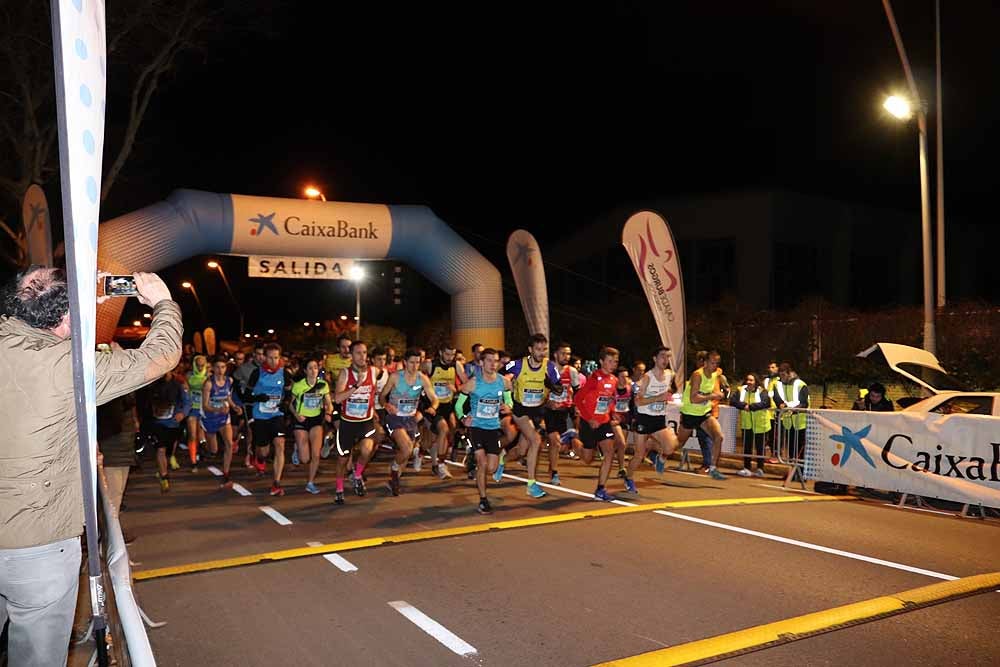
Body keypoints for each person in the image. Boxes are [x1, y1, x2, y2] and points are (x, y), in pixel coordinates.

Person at [0, 267, 181, 666]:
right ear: (66, 317)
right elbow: (160, 355)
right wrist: (163, 303)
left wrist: (80, 305)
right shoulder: (72, 366)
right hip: (37, 547)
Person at [498, 334, 562, 498]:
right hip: (520, 410)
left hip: (537, 411)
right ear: (530, 350)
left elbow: (559, 388)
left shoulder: (550, 367)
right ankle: (531, 484)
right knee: (536, 440)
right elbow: (499, 374)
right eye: (538, 349)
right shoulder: (518, 364)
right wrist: (505, 391)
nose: (542, 353)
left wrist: (552, 385)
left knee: (521, 450)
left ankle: (502, 459)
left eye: (544, 349)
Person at [454, 348, 512, 514]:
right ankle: (483, 500)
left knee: (492, 468)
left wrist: (508, 406)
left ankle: (472, 458)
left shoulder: (503, 382)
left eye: (495, 361)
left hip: (493, 427)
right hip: (476, 427)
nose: (493, 364)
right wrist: (463, 418)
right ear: (480, 362)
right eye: (489, 361)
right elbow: (458, 405)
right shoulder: (473, 383)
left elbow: (509, 401)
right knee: (483, 463)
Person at [379, 349, 439, 496]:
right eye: (411, 362)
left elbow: (434, 398)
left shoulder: (422, 378)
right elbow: (382, 396)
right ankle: (394, 469)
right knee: (406, 448)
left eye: (417, 362)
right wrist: (386, 405)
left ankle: (394, 480)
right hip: (394, 418)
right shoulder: (395, 377)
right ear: (405, 362)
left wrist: (433, 407)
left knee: (407, 453)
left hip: (410, 419)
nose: (414, 365)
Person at [573, 346, 624, 501]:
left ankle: (601, 489)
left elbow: (608, 401)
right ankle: (573, 441)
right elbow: (577, 399)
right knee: (588, 459)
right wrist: (589, 419)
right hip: (589, 422)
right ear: (602, 361)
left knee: (609, 451)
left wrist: (613, 412)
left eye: (615, 362)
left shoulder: (614, 380)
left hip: (603, 422)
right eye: (610, 361)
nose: (613, 365)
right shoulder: (594, 378)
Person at [242, 343, 294, 495]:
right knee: (263, 451)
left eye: (276, 358)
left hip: (276, 414)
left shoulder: (285, 373)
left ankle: (276, 483)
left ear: (280, 357)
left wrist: (285, 403)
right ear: (264, 357)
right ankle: (258, 458)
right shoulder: (256, 374)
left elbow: (289, 393)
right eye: (270, 358)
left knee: (280, 444)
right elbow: (246, 396)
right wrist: (258, 397)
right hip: (260, 415)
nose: (273, 361)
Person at [333, 341, 379, 503]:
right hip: (347, 423)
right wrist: (355, 386)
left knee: (367, 451)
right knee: (343, 459)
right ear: (351, 356)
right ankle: (339, 488)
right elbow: (337, 398)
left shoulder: (374, 372)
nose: (362, 356)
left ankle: (357, 475)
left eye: (365, 353)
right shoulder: (345, 374)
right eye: (358, 353)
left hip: (365, 422)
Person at [629, 346, 682, 487]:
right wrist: (658, 398)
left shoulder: (670, 374)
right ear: (655, 358)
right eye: (662, 356)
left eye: (668, 357)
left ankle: (655, 450)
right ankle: (628, 478)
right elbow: (638, 401)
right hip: (644, 418)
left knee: (671, 447)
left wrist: (669, 394)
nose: (666, 360)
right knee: (639, 456)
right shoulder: (647, 377)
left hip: (658, 418)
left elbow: (670, 389)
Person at [135, 366, 189, 492]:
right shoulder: (151, 385)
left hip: (174, 423)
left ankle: (167, 466)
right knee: (160, 449)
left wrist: (183, 413)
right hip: (157, 423)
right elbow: (143, 404)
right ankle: (164, 477)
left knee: (168, 450)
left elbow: (187, 402)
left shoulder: (178, 384)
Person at [678, 351, 727, 480]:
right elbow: (694, 398)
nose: (715, 365)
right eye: (712, 362)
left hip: (704, 413)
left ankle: (713, 468)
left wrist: (722, 391)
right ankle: (657, 452)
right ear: (705, 363)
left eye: (717, 363)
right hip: (690, 413)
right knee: (677, 443)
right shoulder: (697, 375)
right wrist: (713, 396)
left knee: (719, 437)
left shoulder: (716, 373)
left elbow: (720, 378)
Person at [290, 356, 334, 495]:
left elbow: (329, 403)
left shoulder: (323, 385)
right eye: (310, 368)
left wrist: (329, 411)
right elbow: (290, 404)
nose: (313, 371)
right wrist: (297, 415)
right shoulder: (299, 385)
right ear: (305, 370)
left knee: (316, 454)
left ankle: (310, 482)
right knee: (305, 459)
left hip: (316, 420)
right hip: (301, 420)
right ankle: (297, 448)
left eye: (315, 368)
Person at [423, 343, 465, 480]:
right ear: (441, 352)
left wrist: (457, 388)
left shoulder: (456, 365)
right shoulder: (430, 365)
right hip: (433, 406)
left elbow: (466, 384)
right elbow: (417, 376)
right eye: (447, 354)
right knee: (443, 430)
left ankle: (427, 456)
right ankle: (441, 465)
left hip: (448, 405)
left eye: (452, 354)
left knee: (447, 434)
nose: (450, 357)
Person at [543, 342, 582, 485]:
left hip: (565, 411)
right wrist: (547, 402)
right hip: (549, 410)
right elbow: (539, 390)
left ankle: (551, 466)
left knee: (560, 445)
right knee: (555, 442)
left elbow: (578, 392)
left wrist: (577, 406)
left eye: (568, 354)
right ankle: (554, 473)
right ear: (555, 354)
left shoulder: (571, 371)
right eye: (563, 353)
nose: (566, 356)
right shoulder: (546, 369)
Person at [202, 355, 243, 488]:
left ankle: (226, 474)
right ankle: (205, 449)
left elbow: (228, 397)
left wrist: (234, 406)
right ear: (213, 368)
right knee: (213, 450)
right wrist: (218, 409)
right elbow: (205, 405)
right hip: (210, 418)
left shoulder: (229, 381)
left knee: (229, 445)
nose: (220, 370)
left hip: (224, 418)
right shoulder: (208, 383)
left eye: (223, 367)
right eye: (218, 367)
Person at [731, 373, 771, 477]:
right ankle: (747, 468)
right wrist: (744, 406)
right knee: (747, 447)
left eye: (751, 380)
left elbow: (766, 402)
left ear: (756, 381)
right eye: (748, 380)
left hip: (760, 424)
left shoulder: (762, 391)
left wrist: (751, 407)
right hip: (746, 423)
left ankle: (760, 469)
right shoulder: (741, 390)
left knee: (760, 448)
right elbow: (733, 401)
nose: (749, 382)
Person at [771, 362, 809, 466]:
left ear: (789, 373)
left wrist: (794, 409)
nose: (781, 377)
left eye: (783, 375)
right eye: (780, 375)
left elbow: (804, 403)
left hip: (800, 422)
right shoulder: (778, 384)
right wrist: (780, 405)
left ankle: (800, 473)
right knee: (791, 449)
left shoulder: (800, 384)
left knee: (800, 450)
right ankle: (792, 472)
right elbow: (776, 397)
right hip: (788, 422)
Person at [184, 354, 209, 470]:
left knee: (202, 434)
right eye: (198, 365)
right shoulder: (189, 375)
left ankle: (202, 451)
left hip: (204, 408)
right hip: (192, 408)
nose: (200, 368)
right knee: (192, 435)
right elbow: (185, 391)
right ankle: (193, 461)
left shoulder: (209, 376)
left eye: (202, 365)